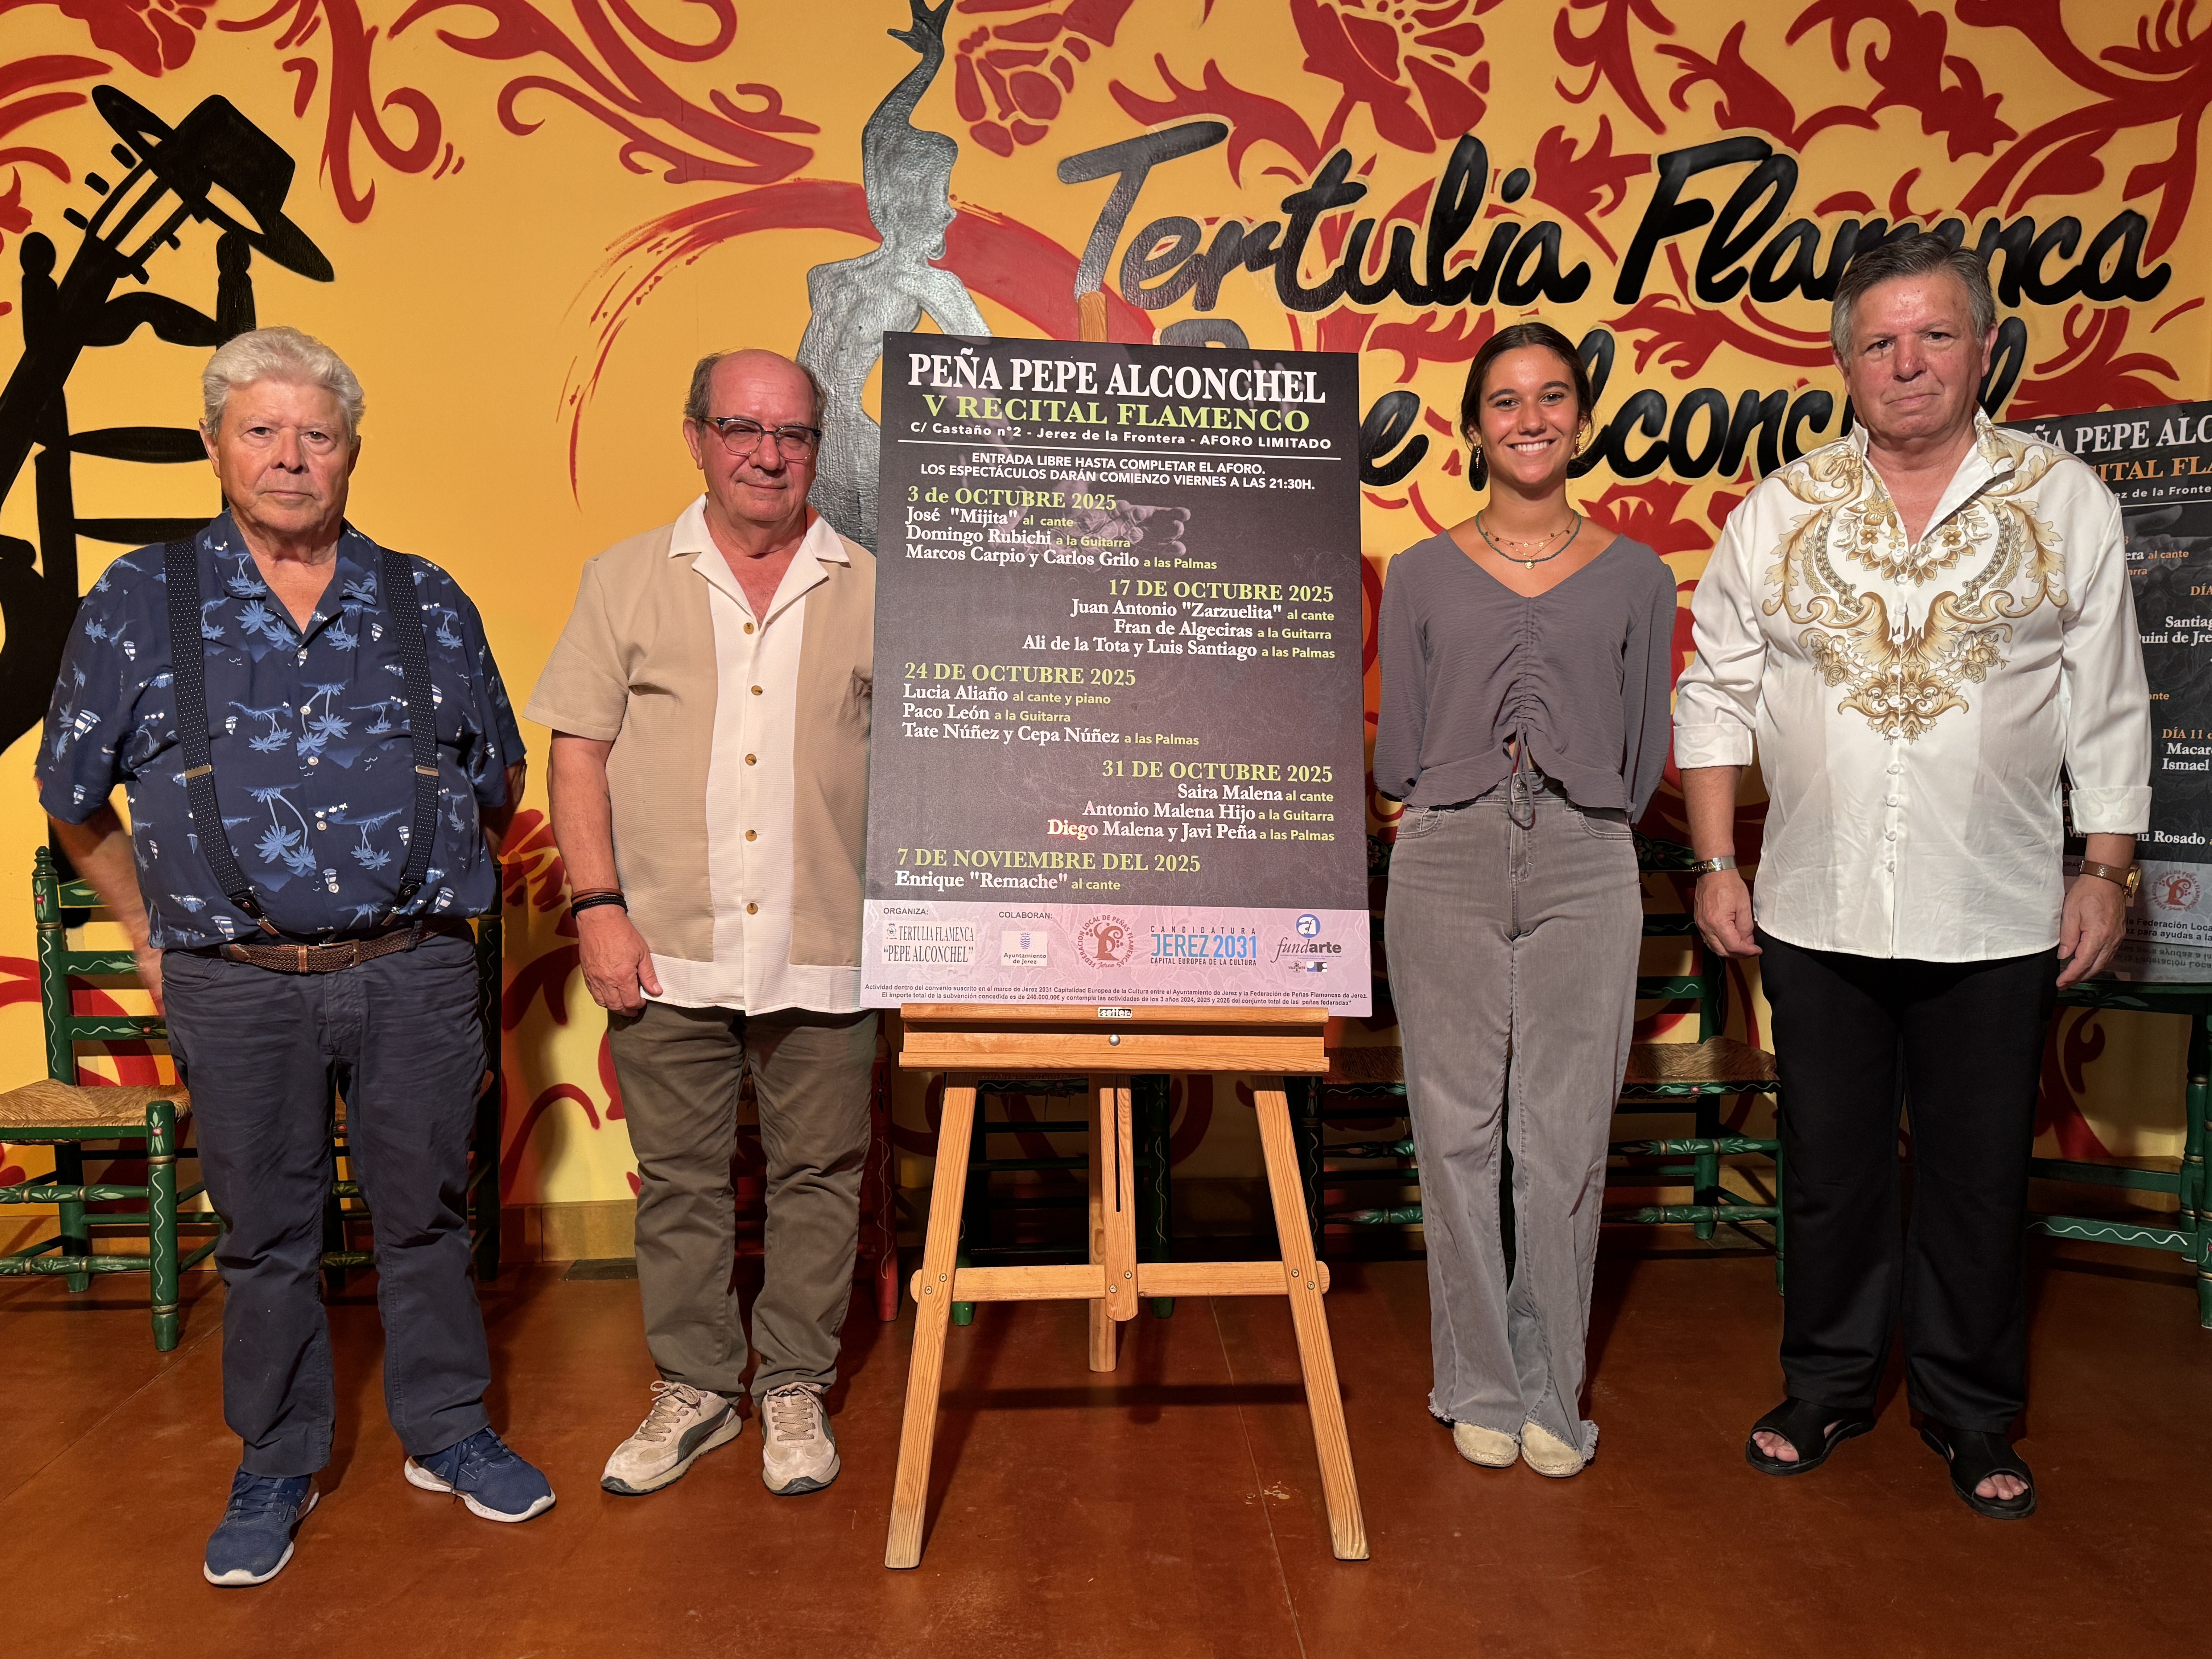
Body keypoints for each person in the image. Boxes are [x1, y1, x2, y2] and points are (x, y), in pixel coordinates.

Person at [38, 326, 551, 1588]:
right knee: (266, 1232)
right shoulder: (139, 600)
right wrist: (156, 929)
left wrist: (416, 892)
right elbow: (70, 794)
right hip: (235, 978)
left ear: (351, 452)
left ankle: (445, 1425)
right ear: (216, 446)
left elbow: (498, 778)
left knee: (426, 1215)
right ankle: (277, 1453)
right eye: (263, 430)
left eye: (317, 433)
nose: (291, 456)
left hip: (416, 969)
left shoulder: (426, 595)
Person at [1674, 232, 2150, 1520]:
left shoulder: (2065, 503)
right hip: (1815, 904)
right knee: (1827, 1163)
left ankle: (1969, 1406)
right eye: (1879, 339)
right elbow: (1713, 693)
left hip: (1995, 904)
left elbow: (2106, 704)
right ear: (1841, 358)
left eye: (1935, 334)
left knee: (1977, 1169)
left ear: (1985, 347)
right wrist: (1718, 857)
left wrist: (2106, 865)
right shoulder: (1777, 511)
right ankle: (1824, 1382)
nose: (1907, 362)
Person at [529, 348, 877, 1500]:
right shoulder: (623, 577)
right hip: (663, 938)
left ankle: (793, 1383)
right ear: (696, 437)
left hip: (829, 940)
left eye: (793, 435)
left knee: (821, 1171)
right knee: (680, 1178)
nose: (768, 455)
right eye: (742, 428)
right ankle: (694, 1386)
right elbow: (576, 749)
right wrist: (598, 908)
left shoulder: (878, 587)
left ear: (819, 448)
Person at [1376, 321, 1678, 1479]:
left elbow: (1643, 745)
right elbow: (1400, 749)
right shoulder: (1420, 572)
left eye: (1554, 396)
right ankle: (1480, 1382)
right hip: (1443, 852)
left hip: (1588, 858)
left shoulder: (1641, 576)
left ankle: (1554, 1386)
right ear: (1473, 427)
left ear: (1584, 420)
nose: (1532, 417)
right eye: (1506, 400)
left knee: (1563, 1139)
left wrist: (1574, 808)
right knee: (1455, 1135)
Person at [796, 0, 988, 548]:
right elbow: (876, 141)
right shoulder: (831, 276)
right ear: (902, 203)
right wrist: (926, 66)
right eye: (939, 196)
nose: (949, 211)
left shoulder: (930, 285)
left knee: (869, 586)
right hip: (805, 447)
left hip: (860, 453)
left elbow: (998, 381)